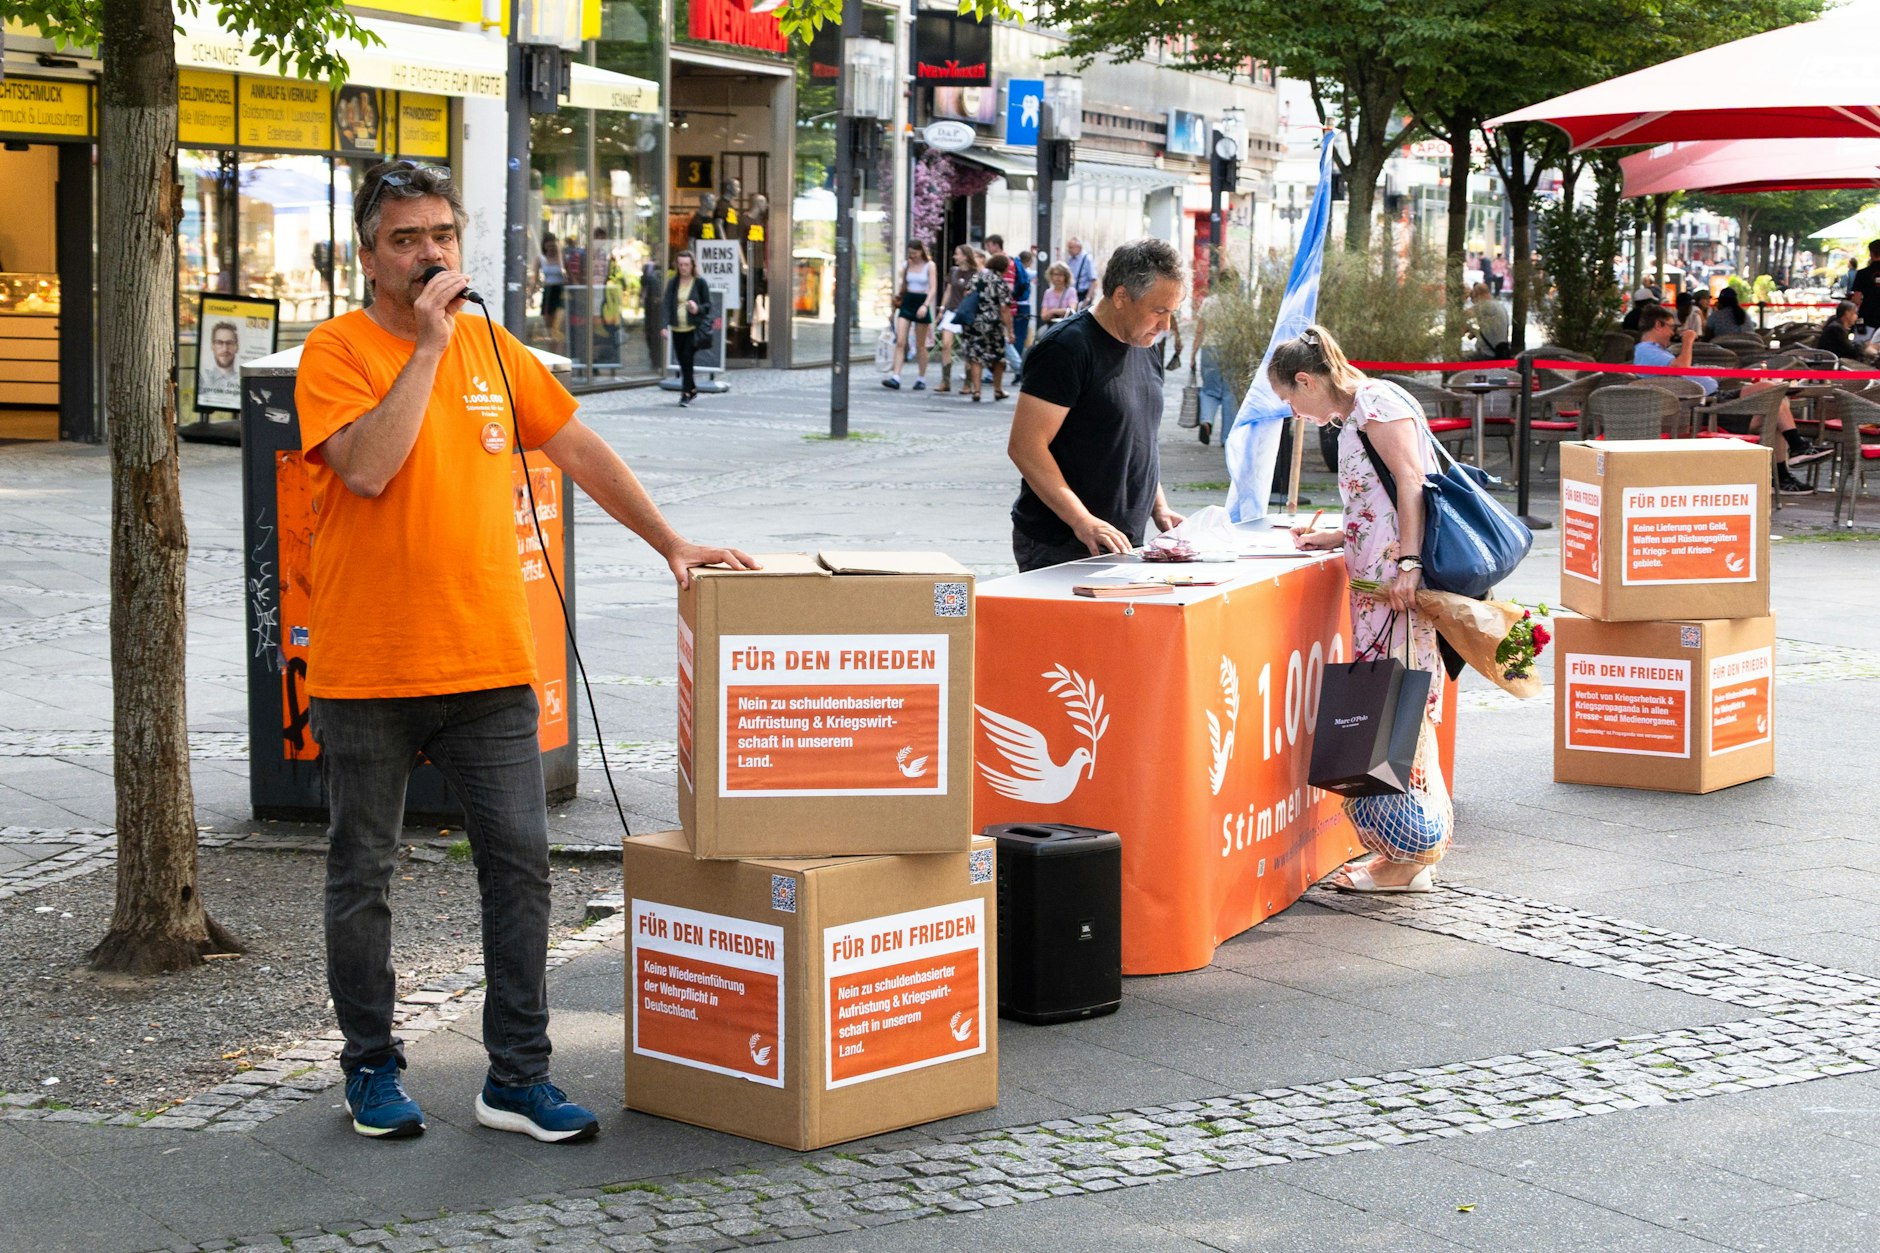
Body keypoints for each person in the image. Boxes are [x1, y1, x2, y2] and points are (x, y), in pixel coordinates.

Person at [294, 160, 753, 1143]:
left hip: (488, 661)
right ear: (369, 256)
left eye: (443, 234)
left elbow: (578, 446)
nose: (430, 252)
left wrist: (669, 539)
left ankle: (516, 1073)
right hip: (368, 665)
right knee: (361, 872)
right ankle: (370, 1064)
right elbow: (369, 469)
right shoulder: (335, 351)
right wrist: (426, 347)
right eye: (408, 238)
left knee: (521, 864)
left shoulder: (495, 348)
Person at [1276, 325, 1451, 892]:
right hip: (1381, 584)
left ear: (1306, 380)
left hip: (1395, 588)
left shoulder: (1374, 403)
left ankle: (1407, 856)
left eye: (1291, 400)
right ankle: (1409, 847)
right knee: (1396, 704)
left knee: (1399, 705)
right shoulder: (1361, 409)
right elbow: (1377, 498)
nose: (1295, 413)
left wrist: (1407, 563)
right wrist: (1336, 540)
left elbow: (1412, 481)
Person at [1006, 237, 1186, 571]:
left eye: (1172, 313)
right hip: (1062, 544)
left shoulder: (1145, 345)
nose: (1165, 326)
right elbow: (1025, 447)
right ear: (1121, 296)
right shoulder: (1066, 349)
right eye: (1158, 312)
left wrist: (1158, 507)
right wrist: (1082, 519)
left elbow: (1138, 438)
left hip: (1124, 541)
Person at [1633, 306, 1826, 494]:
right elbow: (1681, 367)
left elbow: (1678, 371)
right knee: (1775, 402)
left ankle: (1792, 457)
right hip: (1705, 406)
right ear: (1658, 325)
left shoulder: (1654, 351)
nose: (1672, 332)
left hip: (1714, 398)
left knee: (1772, 392)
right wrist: (1688, 340)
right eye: (1670, 327)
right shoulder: (1645, 350)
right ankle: (1791, 459)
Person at [1188, 271, 1239, 446]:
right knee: (1229, 393)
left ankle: (1206, 420)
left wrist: (1193, 354)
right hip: (1231, 350)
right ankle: (1226, 438)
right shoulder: (1237, 304)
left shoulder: (1209, 302)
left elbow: (1200, 330)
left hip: (1209, 350)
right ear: (1234, 284)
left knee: (1209, 390)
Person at [961, 252, 1015, 402]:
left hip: (975, 322)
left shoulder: (977, 277)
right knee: (998, 356)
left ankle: (976, 391)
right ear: (1003, 267)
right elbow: (1005, 309)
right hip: (994, 324)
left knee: (976, 356)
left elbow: (966, 294)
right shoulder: (1000, 282)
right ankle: (997, 390)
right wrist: (1010, 331)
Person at [883, 241, 936, 391]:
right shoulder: (906, 265)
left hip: (921, 301)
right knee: (900, 341)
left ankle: (921, 377)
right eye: (910, 252)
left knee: (920, 345)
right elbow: (902, 287)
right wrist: (894, 310)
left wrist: (925, 305)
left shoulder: (929, 265)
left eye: (915, 252)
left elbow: (933, 288)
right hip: (908, 301)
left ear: (921, 251)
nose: (913, 255)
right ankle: (896, 377)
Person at [662, 250, 711, 406]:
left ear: (692, 266)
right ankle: (692, 388)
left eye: (686, 265)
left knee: (687, 358)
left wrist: (697, 308)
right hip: (677, 329)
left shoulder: (699, 282)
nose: (683, 268)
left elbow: (708, 305)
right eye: (681, 264)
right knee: (683, 361)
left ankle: (685, 394)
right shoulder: (673, 282)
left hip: (692, 328)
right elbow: (667, 305)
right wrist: (664, 326)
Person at [934, 244, 978, 394]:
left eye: (957, 254)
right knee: (946, 344)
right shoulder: (953, 271)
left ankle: (968, 382)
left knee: (967, 348)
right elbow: (948, 291)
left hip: (966, 313)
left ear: (965, 256)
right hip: (951, 312)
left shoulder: (975, 273)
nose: (954, 257)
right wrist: (941, 309)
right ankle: (945, 380)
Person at [985, 235, 1029, 378]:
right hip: (1000, 309)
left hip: (1001, 309)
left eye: (989, 245)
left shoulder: (1005, 263)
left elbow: (1008, 289)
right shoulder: (1003, 263)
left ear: (996, 245)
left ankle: (1019, 370)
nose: (987, 249)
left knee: (1003, 341)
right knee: (998, 341)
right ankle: (992, 373)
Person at [198, 320, 243, 402]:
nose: (225, 349)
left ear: (236, 347)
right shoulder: (202, 380)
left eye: (229, 343)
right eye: (219, 342)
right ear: (212, 346)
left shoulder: (243, 383)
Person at [532, 235, 565, 343]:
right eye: (548, 244)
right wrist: (530, 294)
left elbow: (564, 273)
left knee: (558, 323)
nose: (550, 247)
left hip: (560, 290)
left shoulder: (561, 257)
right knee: (548, 323)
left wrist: (559, 254)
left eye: (553, 244)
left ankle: (558, 345)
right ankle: (552, 346)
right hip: (549, 290)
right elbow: (535, 278)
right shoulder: (540, 258)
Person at [1467, 282, 1511, 358]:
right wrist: (1473, 332)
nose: (1473, 301)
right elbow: (1490, 331)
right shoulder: (1497, 305)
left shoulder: (1486, 305)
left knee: (1458, 360)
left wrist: (1463, 297)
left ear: (1479, 295)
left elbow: (1462, 316)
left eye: (1473, 297)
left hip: (1487, 354)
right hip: (1497, 350)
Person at [1852, 240, 1880, 332]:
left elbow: (1856, 299)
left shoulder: (1862, 273)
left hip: (1867, 319)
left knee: (1863, 346)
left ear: (1871, 253)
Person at [1038, 262, 1077, 327]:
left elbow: (1071, 311)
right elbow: (1043, 316)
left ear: (1066, 276)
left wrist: (1052, 311)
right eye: (1056, 274)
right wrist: (1060, 311)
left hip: (1066, 326)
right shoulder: (1048, 292)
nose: (1058, 277)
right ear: (1051, 276)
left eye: (1061, 274)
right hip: (1051, 326)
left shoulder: (1071, 291)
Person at [1064, 236, 1097, 308]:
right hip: (1071, 295)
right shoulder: (1070, 260)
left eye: (1071, 247)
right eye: (1068, 247)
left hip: (1083, 295)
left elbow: (1093, 281)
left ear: (1079, 247)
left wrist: (1087, 299)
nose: (1068, 250)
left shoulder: (1087, 259)